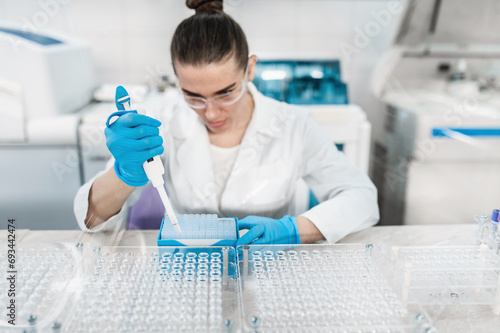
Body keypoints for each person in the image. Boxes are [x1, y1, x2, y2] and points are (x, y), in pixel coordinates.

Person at [74, 0, 379, 245]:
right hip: (189, 271)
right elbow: (91, 219)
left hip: (266, 271)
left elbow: (361, 198)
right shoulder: (162, 120)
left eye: (225, 93)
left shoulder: (292, 124)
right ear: (177, 79)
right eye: (193, 96)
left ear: (249, 69)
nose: (211, 112)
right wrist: (124, 173)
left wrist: (294, 229)